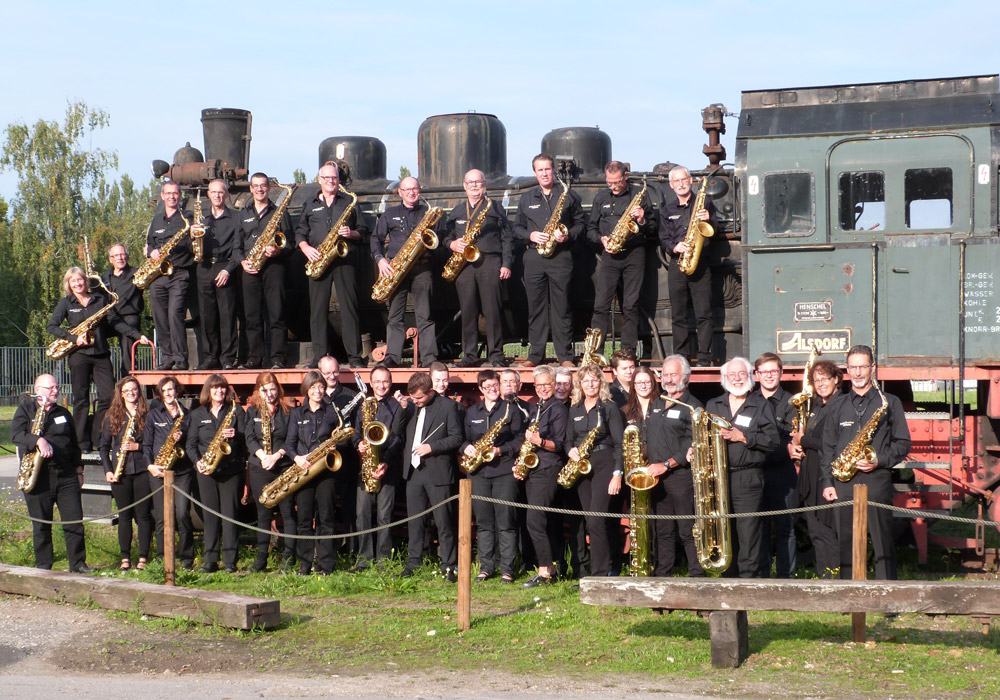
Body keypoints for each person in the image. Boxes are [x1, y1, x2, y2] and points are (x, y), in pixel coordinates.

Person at [821, 345, 911, 581]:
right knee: (846, 541)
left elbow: (903, 443)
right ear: (847, 370)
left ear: (872, 368)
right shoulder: (837, 405)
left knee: (883, 540)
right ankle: (850, 596)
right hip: (843, 482)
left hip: (877, 478)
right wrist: (827, 482)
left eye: (863, 366)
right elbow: (828, 448)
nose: (858, 372)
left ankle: (886, 594)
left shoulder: (889, 403)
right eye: (853, 367)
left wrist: (879, 460)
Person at [48, 266, 150, 451]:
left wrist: (136, 335)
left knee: (108, 396)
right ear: (69, 285)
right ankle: (81, 442)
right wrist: (73, 338)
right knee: (81, 399)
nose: (78, 284)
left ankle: (97, 438)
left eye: (80, 280)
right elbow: (52, 326)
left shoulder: (101, 300)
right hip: (79, 355)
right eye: (73, 281)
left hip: (101, 354)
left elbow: (116, 323)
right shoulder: (66, 303)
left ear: (86, 282)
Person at [706, 357, 779, 578]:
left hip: (748, 478)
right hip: (719, 478)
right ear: (724, 379)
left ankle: (748, 582)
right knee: (724, 531)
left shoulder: (761, 404)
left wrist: (743, 436)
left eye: (742, 374)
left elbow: (773, 440)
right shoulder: (713, 405)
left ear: (749, 377)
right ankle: (728, 579)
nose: (737, 379)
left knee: (749, 533)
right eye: (732, 375)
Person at [12, 375, 92, 573]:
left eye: (57, 387)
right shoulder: (25, 409)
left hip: (66, 475)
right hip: (38, 476)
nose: (56, 391)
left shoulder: (63, 412)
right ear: (38, 389)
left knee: (74, 521)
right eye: (51, 388)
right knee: (41, 525)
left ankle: (78, 564)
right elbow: (15, 435)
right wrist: (37, 441)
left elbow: (74, 444)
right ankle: (44, 567)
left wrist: (79, 470)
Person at [511, 153, 585, 368]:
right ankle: (535, 356)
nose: (544, 173)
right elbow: (516, 228)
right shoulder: (526, 198)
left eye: (547, 169)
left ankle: (565, 357)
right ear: (535, 173)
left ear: (553, 171)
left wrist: (568, 235)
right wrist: (530, 235)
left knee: (562, 307)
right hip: (534, 257)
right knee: (536, 308)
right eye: (540, 170)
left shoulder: (568, 195)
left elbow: (581, 224)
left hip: (561, 256)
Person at [297, 163, 368, 368]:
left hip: (344, 259)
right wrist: (306, 248)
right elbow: (300, 232)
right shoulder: (309, 204)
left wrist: (351, 233)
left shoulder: (349, 202)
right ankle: (319, 357)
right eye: (326, 178)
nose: (330, 181)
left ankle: (355, 357)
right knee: (317, 310)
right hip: (318, 259)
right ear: (319, 179)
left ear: (339, 180)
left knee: (349, 308)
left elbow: (363, 230)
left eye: (334, 178)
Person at [443, 169, 513, 367]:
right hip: (464, 265)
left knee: (493, 311)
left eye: (478, 182)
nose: (474, 185)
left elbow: (507, 238)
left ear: (484, 184)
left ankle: (496, 356)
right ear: (464, 186)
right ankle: (470, 356)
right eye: (470, 182)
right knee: (468, 311)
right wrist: (451, 244)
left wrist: (506, 264)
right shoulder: (457, 211)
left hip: (489, 262)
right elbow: (445, 236)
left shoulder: (496, 208)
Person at [587, 161, 656, 356]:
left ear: (625, 176)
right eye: (609, 182)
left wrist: (641, 219)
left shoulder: (638, 195)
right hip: (610, 254)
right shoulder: (601, 197)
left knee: (630, 306)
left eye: (617, 182)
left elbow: (653, 227)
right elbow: (590, 228)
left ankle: (628, 351)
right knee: (600, 305)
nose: (613, 186)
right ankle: (596, 352)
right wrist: (601, 239)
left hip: (634, 254)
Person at [401, 371, 464, 580]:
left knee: (444, 521)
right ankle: (414, 562)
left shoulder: (448, 407)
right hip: (414, 472)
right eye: (413, 398)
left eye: (419, 398)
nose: (415, 401)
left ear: (430, 391)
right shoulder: (410, 406)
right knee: (415, 521)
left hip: (438, 472)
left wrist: (432, 447)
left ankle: (449, 565)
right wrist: (402, 410)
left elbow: (457, 438)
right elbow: (399, 431)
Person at [463, 370, 525, 583]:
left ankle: (507, 569)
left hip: (504, 472)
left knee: (506, 522)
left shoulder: (511, 410)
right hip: (478, 473)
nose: (492, 390)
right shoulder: (472, 412)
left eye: (495, 386)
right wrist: (467, 448)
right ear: (480, 389)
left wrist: (500, 451)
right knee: (484, 522)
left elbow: (519, 441)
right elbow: (462, 439)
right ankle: (486, 567)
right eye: (487, 387)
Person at [371, 176, 438, 368]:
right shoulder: (389, 213)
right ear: (400, 192)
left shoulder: (428, 213)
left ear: (419, 190)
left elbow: (440, 239)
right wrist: (380, 259)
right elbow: (375, 239)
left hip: (422, 267)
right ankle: (392, 357)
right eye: (407, 189)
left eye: (415, 189)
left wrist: (426, 238)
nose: (411, 192)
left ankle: (429, 358)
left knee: (425, 315)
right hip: (396, 268)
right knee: (394, 316)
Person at [646, 355, 704, 577]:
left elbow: (692, 441)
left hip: (680, 477)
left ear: (686, 378)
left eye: (674, 374)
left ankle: (698, 577)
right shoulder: (658, 402)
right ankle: (663, 577)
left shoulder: (693, 406)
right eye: (666, 374)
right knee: (663, 531)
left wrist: (667, 464)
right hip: (657, 478)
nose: (668, 379)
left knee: (688, 530)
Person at [565, 364, 625, 577]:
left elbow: (620, 444)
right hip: (582, 466)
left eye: (594, 380)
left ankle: (600, 574)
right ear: (579, 384)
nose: (590, 384)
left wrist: (618, 473)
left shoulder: (609, 407)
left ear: (601, 382)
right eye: (586, 380)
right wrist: (570, 450)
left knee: (596, 519)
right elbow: (568, 440)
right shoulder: (575, 409)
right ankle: (606, 567)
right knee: (592, 521)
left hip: (604, 462)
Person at [285, 370, 343, 575]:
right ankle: (305, 563)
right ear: (306, 390)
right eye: (313, 387)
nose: (318, 391)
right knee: (304, 519)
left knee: (326, 518)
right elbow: (290, 443)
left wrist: (335, 448)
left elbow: (341, 438)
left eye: (321, 387)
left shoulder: (331, 412)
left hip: (325, 471)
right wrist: (297, 458)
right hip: (304, 471)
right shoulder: (296, 414)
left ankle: (326, 564)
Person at [186, 374, 245, 573]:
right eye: (215, 388)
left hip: (231, 470)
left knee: (230, 515)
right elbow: (191, 444)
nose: (219, 391)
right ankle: (210, 560)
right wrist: (197, 462)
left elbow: (247, 439)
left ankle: (230, 562)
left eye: (222, 388)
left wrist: (236, 435)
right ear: (208, 391)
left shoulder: (235, 412)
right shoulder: (197, 414)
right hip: (206, 470)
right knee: (210, 517)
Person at [660, 166, 718, 366]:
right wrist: (675, 246)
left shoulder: (705, 203)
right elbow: (664, 238)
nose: (681, 184)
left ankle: (704, 358)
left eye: (683, 179)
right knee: (678, 315)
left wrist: (708, 219)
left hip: (700, 263)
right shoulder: (667, 210)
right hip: (678, 264)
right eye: (676, 181)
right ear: (671, 185)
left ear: (691, 180)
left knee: (704, 314)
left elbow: (715, 230)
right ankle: (681, 358)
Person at [789, 358, 842, 578]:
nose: (821, 384)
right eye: (816, 380)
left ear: (836, 379)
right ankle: (825, 578)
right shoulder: (816, 406)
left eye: (825, 379)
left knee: (829, 532)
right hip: (811, 477)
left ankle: (836, 580)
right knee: (816, 531)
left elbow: (836, 443)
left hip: (827, 477)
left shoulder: (841, 405)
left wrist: (804, 441)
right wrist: (796, 446)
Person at [519, 366, 569, 587]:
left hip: (548, 469)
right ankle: (553, 566)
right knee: (543, 522)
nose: (542, 389)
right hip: (533, 470)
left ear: (554, 384)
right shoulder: (537, 408)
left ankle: (545, 572)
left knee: (535, 521)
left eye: (546, 385)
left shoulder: (558, 409)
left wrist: (539, 442)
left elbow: (559, 444)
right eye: (538, 385)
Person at [238, 172, 293, 369]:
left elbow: (291, 245)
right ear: (251, 188)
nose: (260, 189)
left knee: (276, 314)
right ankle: (254, 358)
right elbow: (236, 247)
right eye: (256, 186)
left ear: (268, 188)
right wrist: (242, 262)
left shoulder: (280, 213)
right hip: (250, 269)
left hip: (274, 269)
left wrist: (278, 251)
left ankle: (278, 358)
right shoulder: (242, 215)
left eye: (263, 185)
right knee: (252, 317)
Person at [352, 364, 404, 569]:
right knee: (362, 515)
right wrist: (358, 443)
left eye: (385, 381)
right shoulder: (363, 405)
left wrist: (385, 462)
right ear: (370, 383)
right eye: (378, 382)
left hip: (386, 467)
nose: (382, 385)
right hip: (365, 467)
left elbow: (398, 438)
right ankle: (364, 559)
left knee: (385, 516)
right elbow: (356, 431)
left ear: (390, 383)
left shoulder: (397, 406)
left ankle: (383, 561)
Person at [99, 376, 153, 571]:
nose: (131, 393)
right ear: (120, 394)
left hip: (141, 471)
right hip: (119, 473)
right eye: (127, 390)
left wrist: (137, 446)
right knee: (124, 515)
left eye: (134, 390)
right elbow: (103, 447)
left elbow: (154, 443)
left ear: (139, 392)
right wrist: (107, 471)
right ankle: (125, 558)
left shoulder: (147, 414)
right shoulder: (112, 415)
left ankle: (143, 558)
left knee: (144, 515)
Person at [245, 371, 296, 572]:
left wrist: (276, 456)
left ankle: (289, 559)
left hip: (283, 466)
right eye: (265, 390)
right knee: (263, 514)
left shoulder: (289, 412)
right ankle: (260, 561)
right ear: (259, 391)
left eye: (273, 389)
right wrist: (263, 456)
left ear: (278, 389)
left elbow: (291, 439)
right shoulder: (252, 412)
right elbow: (249, 438)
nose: (270, 394)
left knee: (288, 513)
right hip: (260, 467)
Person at [752, 352, 798, 578]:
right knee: (758, 528)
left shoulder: (792, 402)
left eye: (773, 371)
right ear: (756, 375)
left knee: (785, 528)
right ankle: (761, 578)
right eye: (764, 372)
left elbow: (792, 440)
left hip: (782, 474)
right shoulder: (749, 401)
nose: (769, 376)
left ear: (781, 373)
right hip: (757, 473)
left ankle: (786, 580)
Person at [144, 376, 194, 569]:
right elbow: (147, 445)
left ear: (177, 391)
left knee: (182, 514)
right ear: (160, 394)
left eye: (171, 389)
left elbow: (193, 443)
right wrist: (150, 465)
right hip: (159, 470)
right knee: (162, 517)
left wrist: (184, 436)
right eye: (164, 391)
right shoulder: (153, 415)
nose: (168, 394)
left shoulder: (188, 415)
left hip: (182, 472)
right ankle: (162, 556)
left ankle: (187, 559)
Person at [145, 180, 193, 370]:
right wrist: (151, 252)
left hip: (179, 273)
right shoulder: (156, 220)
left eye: (175, 193)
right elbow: (149, 244)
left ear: (179, 196)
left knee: (174, 315)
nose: (172, 196)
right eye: (168, 193)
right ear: (163, 196)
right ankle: (167, 358)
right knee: (160, 317)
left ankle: (180, 359)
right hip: (158, 275)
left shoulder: (187, 218)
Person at [195, 179, 240, 370]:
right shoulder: (200, 218)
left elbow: (238, 249)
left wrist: (228, 270)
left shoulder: (236, 218)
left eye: (221, 192)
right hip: (204, 267)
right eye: (214, 192)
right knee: (207, 315)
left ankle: (228, 358)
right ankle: (210, 357)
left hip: (225, 266)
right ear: (208, 195)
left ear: (226, 195)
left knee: (227, 315)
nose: (217, 196)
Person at [318, 354, 361, 553]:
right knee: (323, 507)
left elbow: (359, 425)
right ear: (320, 373)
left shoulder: (352, 395)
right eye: (327, 373)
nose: (332, 376)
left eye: (335, 371)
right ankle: (325, 550)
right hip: (323, 459)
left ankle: (352, 550)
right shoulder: (316, 394)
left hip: (347, 455)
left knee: (349, 505)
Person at [102, 243, 144, 377]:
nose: (119, 258)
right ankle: (102, 374)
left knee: (128, 343)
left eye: (122, 254)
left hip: (129, 318)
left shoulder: (137, 273)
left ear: (127, 256)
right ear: (110, 259)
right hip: (110, 318)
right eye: (115, 255)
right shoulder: (104, 277)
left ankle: (127, 379)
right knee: (94, 335)